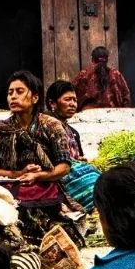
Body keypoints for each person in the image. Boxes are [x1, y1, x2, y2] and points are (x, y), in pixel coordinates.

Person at [0, 70, 74, 239]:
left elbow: (64, 166)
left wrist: (39, 175)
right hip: (9, 186)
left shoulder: (52, 126)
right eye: (10, 93)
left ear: (34, 98)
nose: (13, 97)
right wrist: (18, 174)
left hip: (45, 183)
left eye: (19, 91)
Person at [45, 80, 101, 212]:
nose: (73, 104)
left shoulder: (73, 133)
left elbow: (77, 158)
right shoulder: (43, 128)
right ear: (52, 103)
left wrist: (79, 160)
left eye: (75, 100)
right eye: (67, 99)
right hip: (56, 177)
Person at [72, 45, 132, 110]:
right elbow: (126, 96)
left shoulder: (84, 74)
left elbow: (72, 91)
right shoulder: (116, 74)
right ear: (107, 60)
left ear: (92, 59)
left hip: (89, 114)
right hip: (114, 114)